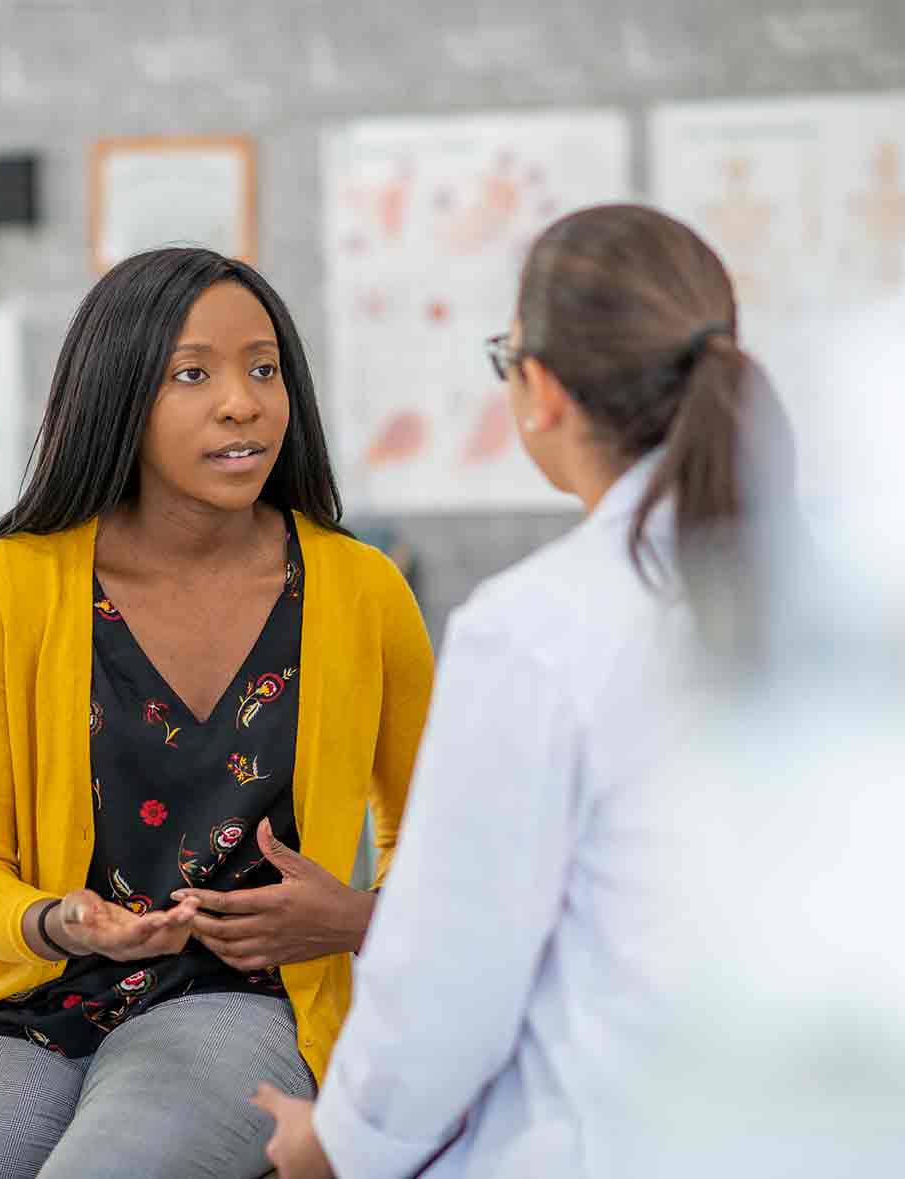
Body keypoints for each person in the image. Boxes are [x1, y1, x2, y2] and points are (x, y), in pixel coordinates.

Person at [254, 204, 798, 1177]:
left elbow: (450, 975)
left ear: (537, 389)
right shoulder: (849, 588)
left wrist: (333, 1145)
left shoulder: (536, 629)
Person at [0, 247, 434, 1178]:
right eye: (194, 373)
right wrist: (59, 920)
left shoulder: (362, 589)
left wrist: (351, 917)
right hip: (38, 993)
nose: (243, 402)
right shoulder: (13, 583)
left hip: (250, 999)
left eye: (264, 368)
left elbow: (457, 859)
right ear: (119, 398)